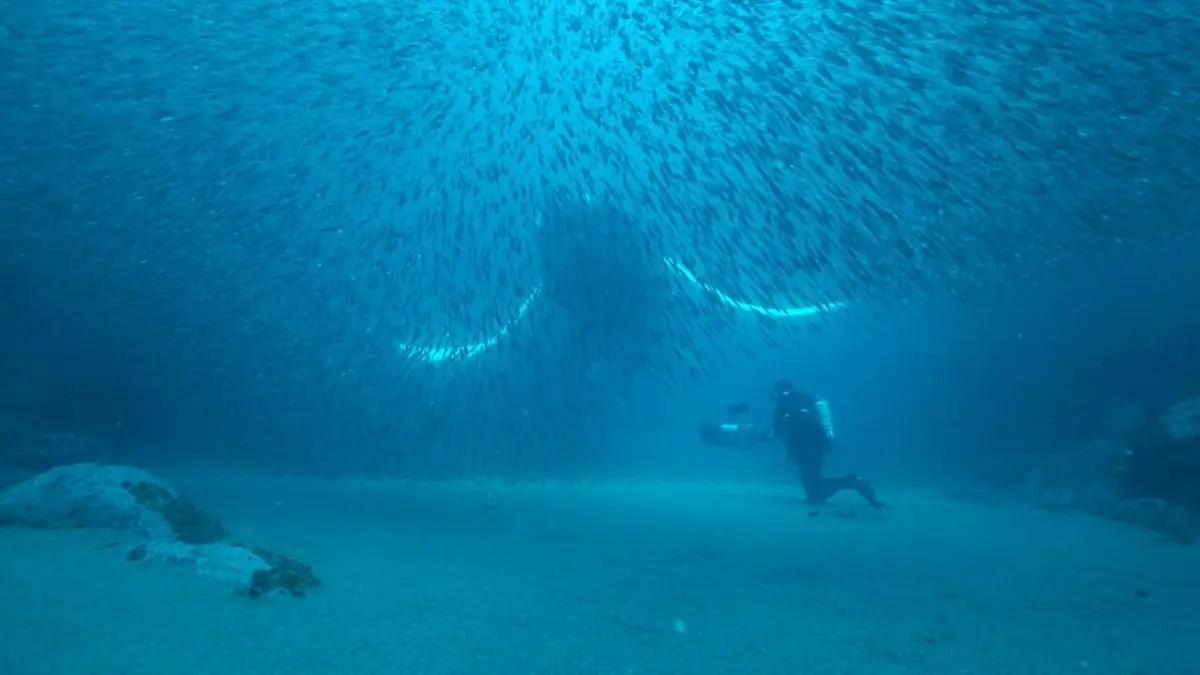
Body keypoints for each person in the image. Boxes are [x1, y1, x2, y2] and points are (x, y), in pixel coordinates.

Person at [767, 379, 884, 509]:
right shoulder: (806, 401)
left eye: (776, 396)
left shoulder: (785, 409)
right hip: (815, 447)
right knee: (813, 491)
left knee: (814, 493)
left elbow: (781, 431)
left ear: (780, 394)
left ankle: (853, 481)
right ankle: (851, 482)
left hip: (806, 450)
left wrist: (769, 436)